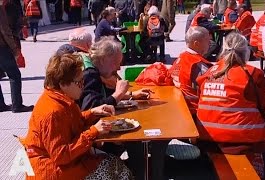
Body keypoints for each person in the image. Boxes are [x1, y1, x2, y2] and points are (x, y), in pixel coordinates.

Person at [22, 53, 133, 179]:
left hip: (60, 165)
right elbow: (61, 156)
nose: (83, 86)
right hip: (50, 171)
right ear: (63, 84)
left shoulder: (59, 99)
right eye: (79, 82)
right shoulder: (53, 112)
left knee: (114, 163)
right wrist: (93, 132)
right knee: (118, 170)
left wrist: (92, 112)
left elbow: (70, 122)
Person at [78, 36, 168, 180]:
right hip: (86, 140)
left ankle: (139, 170)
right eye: (116, 63)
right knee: (134, 141)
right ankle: (139, 173)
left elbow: (102, 95)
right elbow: (93, 108)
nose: (119, 68)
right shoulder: (90, 75)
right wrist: (119, 94)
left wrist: (131, 94)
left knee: (135, 140)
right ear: (103, 60)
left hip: (90, 133)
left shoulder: (95, 70)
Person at [196, 32, 265, 180]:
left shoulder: (210, 72)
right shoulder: (251, 73)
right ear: (246, 51)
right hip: (238, 139)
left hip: (207, 137)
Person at [170, 26, 212, 116]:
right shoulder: (199, 65)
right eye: (207, 41)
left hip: (181, 107)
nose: (210, 43)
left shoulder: (180, 58)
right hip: (195, 111)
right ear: (196, 44)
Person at [0, 3, 34, 113]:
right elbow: (5, 30)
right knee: (14, 75)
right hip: (2, 48)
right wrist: (14, 49)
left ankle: (0, 105)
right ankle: (17, 105)